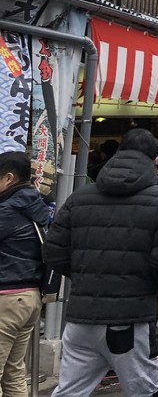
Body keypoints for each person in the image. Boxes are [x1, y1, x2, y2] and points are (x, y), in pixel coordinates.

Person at [45, 129, 158, 397]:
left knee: (70, 391)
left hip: (81, 316)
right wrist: (148, 287)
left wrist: (85, 277)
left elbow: (53, 252)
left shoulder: (80, 197)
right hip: (130, 318)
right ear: (153, 159)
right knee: (144, 390)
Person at [0, 151, 49, 397]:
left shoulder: (7, 211)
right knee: (14, 373)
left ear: (8, 178)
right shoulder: (36, 206)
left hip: (6, 297)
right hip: (30, 296)